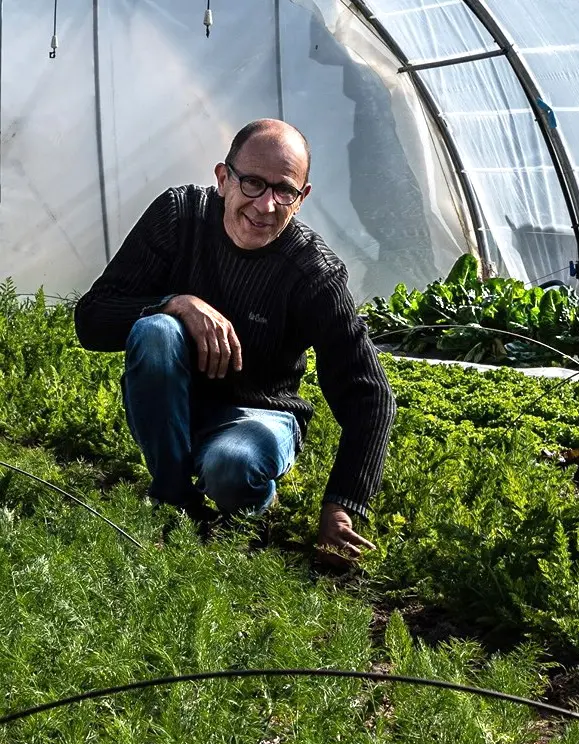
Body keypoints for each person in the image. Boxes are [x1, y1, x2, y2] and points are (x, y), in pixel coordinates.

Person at [75, 118, 396, 567]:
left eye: (283, 190)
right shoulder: (179, 218)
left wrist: (343, 505)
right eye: (252, 183)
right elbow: (91, 320)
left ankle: (241, 495)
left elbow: (369, 394)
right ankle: (170, 498)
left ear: (301, 199)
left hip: (261, 412)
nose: (265, 205)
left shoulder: (313, 273)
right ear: (223, 179)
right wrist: (177, 302)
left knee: (232, 469)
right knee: (156, 330)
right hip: (178, 402)